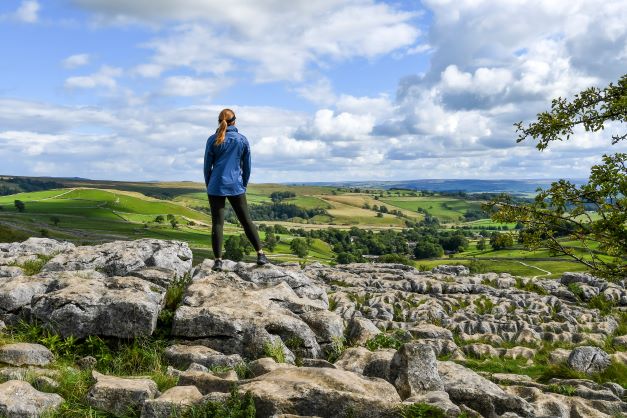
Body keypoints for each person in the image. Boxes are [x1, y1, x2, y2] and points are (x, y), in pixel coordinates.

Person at [203, 108, 268, 271]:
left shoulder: (212, 140)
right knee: (246, 220)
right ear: (235, 121)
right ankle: (260, 254)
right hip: (236, 185)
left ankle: (218, 261)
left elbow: (206, 167)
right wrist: (243, 185)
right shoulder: (242, 140)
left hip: (215, 185)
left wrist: (209, 185)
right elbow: (247, 167)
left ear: (219, 122)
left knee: (217, 223)